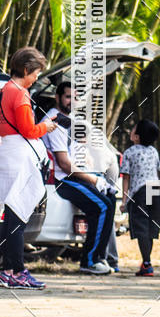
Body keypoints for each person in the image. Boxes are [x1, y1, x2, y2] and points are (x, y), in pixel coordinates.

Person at [43, 81, 117, 275]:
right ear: (57, 98)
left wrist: (94, 173)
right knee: (101, 206)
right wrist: (92, 180)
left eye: (75, 98)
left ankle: (101, 257)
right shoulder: (55, 121)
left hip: (75, 176)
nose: (72, 101)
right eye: (68, 97)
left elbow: (80, 151)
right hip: (62, 180)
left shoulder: (70, 120)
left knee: (109, 197)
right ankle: (89, 261)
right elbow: (64, 165)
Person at [0, 47, 57, 289]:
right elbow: (29, 130)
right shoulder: (20, 94)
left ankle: (9, 270)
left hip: (6, 152)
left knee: (9, 215)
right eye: (35, 73)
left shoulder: (4, 91)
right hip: (19, 157)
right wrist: (46, 126)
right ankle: (16, 271)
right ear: (25, 70)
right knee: (18, 216)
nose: (35, 78)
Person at [120, 119, 160, 276]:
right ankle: (146, 262)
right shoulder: (154, 151)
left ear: (137, 137)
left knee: (141, 226)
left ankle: (147, 263)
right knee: (151, 226)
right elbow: (156, 172)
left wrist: (124, 201)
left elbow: (126, 178)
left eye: (133, 129)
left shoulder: (129, 153)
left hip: (140, 192)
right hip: (155, 190)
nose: (131, 131)